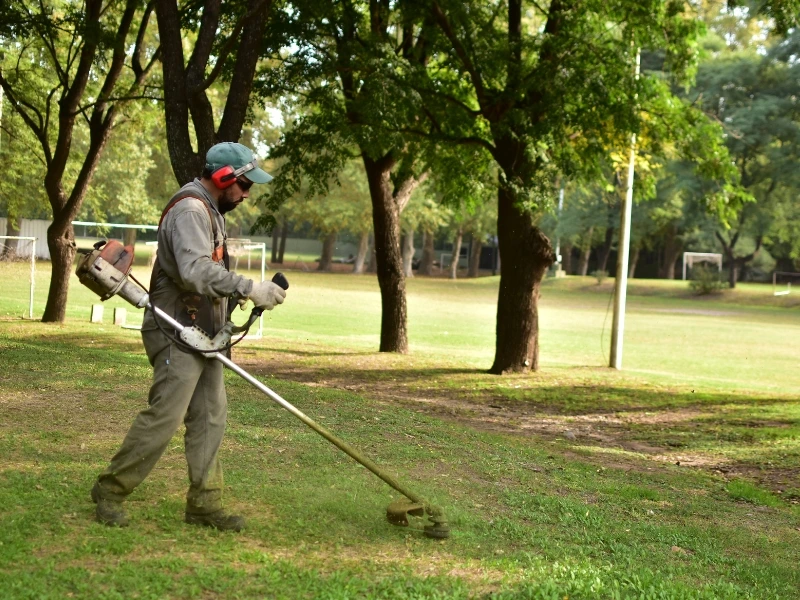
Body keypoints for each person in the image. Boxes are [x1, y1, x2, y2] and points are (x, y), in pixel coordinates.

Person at [91, 142, 286, 531]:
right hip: (175, 327)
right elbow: (195, 270)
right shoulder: (190, 210)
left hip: (204, 332)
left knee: (211, 415)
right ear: (222, 177)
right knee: (166, 414)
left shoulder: (211, 210)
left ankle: (204, 503)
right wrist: (249, 287)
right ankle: (110, 489)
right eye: (244, 185)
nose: (247, 194)